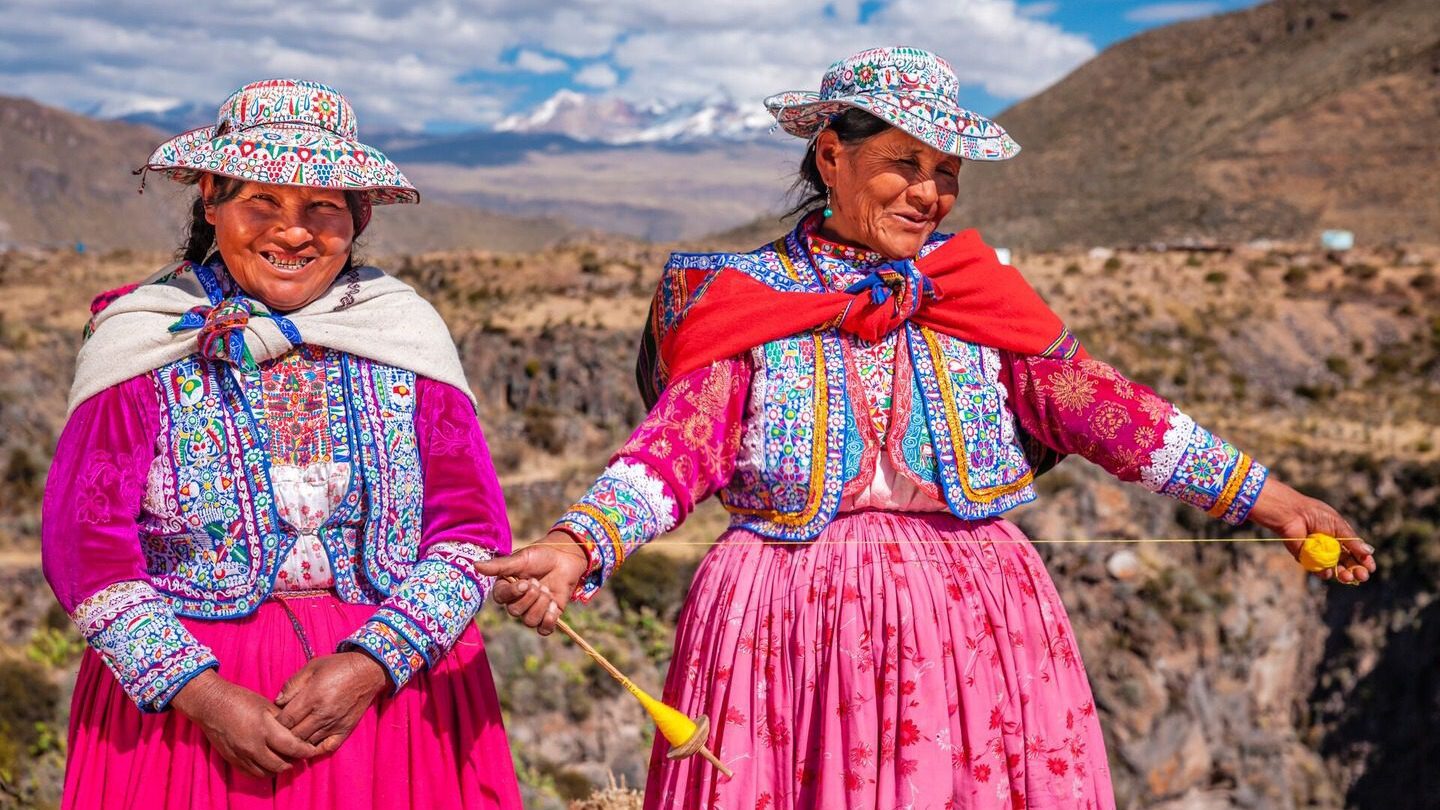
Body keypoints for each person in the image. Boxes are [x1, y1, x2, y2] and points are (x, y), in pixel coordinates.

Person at [479, 47, 1375, 809]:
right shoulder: (745, 302)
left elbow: (1115, 413)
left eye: (947, 171)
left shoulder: (978, 298)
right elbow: (675, 449)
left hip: (974, 626)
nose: (930, 193)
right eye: (906, 163)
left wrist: (1271, 499)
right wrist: (577, 544)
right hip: (787, 632)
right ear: (831, 155)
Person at [42, 79, 521, 809]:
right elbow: (86, 551)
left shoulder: (403, 335)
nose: (291, 232)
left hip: (390, 706)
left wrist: (372, 663)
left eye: (320, 207)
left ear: (357, 217)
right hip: (189, 721)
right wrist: (200, 695)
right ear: (212, 202)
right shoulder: (142, 341)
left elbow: (472, 532)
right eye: (260, 202)